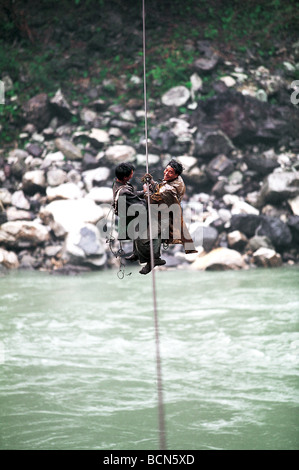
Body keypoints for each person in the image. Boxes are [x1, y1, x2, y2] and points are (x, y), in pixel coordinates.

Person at [112, 162, 166, 274]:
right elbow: (141, 205)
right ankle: (154, 259)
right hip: (132, 212)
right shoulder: (124, 192)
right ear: (126, 177)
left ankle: (137, 254)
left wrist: (143, 192)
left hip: (126, 212)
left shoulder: (118, 184)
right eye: (131, 173)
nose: (133, 175)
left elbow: (134, 194)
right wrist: (146, 193)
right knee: (150, 234)